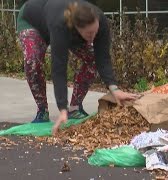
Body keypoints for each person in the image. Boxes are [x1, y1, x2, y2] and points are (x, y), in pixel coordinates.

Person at [17, 0, 140, 134]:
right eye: (89, 34)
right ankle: (42, 110)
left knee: (92, 58)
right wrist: (62, 108)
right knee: (32, 61)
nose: (93, 38)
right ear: (77, 28)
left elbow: (102, 57)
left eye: (95, 32)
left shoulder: (100, 20)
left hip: (58, 22)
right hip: (33, 20)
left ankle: (75, 108)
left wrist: (114, 89)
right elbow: (59, 69)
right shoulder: (61, 26)